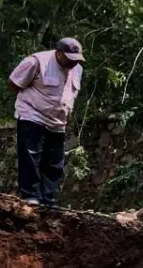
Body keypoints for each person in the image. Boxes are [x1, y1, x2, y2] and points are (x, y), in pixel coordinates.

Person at [8, 38, 85, 207]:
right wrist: (31, 102)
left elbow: (69, 95)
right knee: (31, 157)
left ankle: (49, 201)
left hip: (58, 122)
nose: (73, 63)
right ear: (58, 53)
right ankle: (31, 197)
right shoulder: (36, 62)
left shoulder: (77, 69)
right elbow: (14, 83)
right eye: (70, 59)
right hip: (32, 115)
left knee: (55, 163)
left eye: (76, 59)